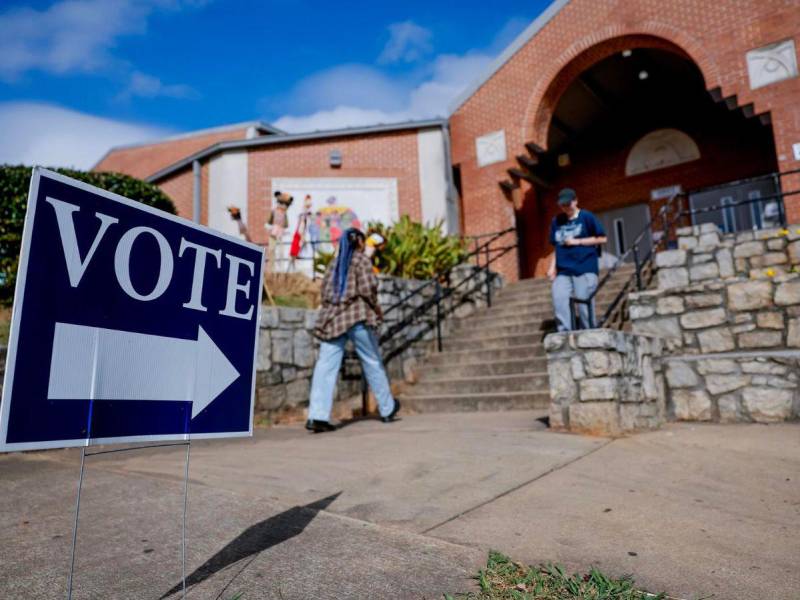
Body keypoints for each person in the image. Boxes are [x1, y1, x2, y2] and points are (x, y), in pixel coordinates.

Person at [306, 228, 400, 432]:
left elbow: (324, 292)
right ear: (359, 242)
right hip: (358, 316)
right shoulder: (361, 260)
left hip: (332, 320)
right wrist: (376, 309)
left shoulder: (334, 263)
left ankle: (317, 416)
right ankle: (387, 409)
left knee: (325, 366)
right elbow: (368, 289)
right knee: (372, 361)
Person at [547, 188, 607, 331]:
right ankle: (565, 335)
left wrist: (577, 242)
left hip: (585, 267)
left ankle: (589, 334)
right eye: (562, 205)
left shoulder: (586, 217)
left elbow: (602, 238)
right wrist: (552, 267)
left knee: (583, 305)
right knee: (559, 300)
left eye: (568, 203)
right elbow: (556, 246)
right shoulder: (557, 221)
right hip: (563, 270)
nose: (566, 207)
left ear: (575, 201)